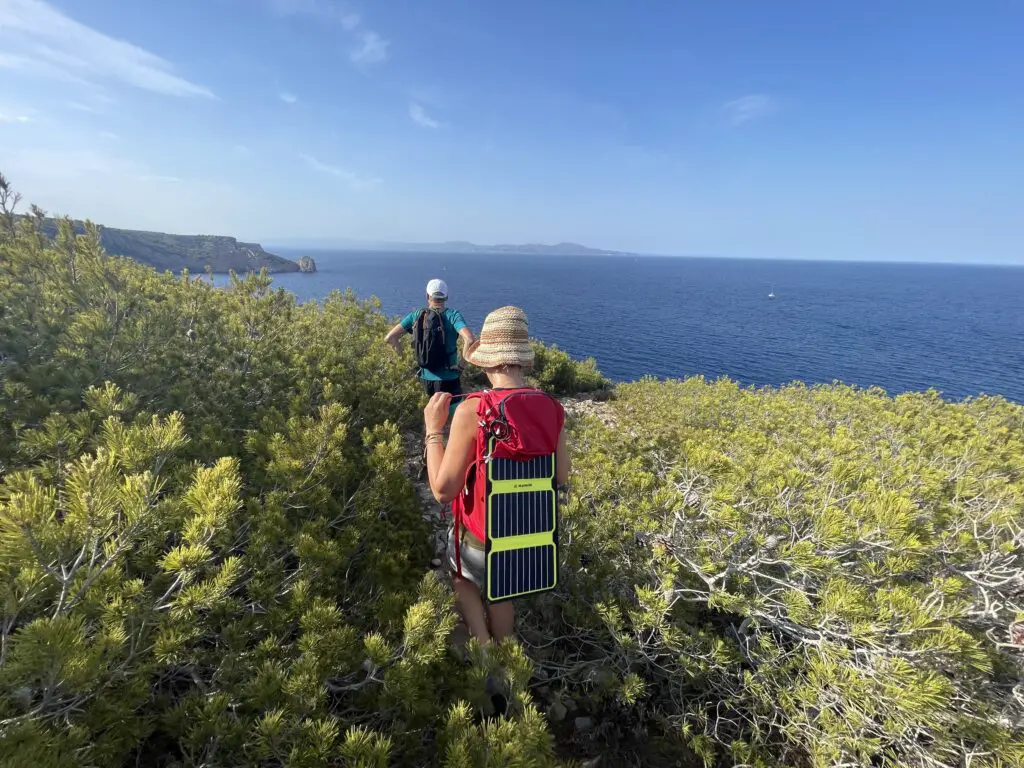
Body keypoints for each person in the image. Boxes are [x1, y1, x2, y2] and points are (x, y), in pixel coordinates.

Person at [422, 306, 569, 645]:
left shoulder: (474, 408)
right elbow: (560, 476)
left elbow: (443, 491)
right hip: (530, 535)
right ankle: (506, 653)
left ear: (487, 360)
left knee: (462, 579)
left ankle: (483, 648)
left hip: (480, 538)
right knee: (502, 591)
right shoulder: (552, 406)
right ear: (521, 359)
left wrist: (433, 432)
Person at [384, 278, 475, 399]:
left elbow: (390, 338)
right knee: (452, 415)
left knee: (429, 414)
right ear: (446, 297)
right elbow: (469, 339)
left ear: (427, 295)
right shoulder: (453, 316)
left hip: (424, 378)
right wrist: (461, 366)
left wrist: (406, 362)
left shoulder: (416, 315)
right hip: (450, 379)